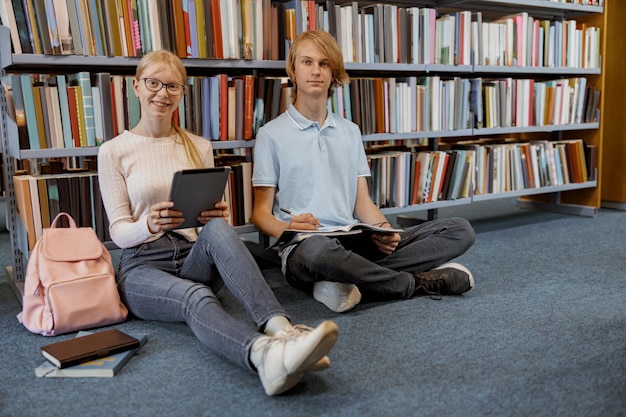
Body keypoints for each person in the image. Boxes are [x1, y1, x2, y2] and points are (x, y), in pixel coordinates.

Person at [97, 50, 339, 396]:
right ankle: (263, 357)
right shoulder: (113, 151)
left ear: (182, 92)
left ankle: (281, 329)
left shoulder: (198, 146)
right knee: (195, 296)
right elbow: (119, 232)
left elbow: (209, 224)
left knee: (219, 229)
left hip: (193, 253)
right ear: (136, 87)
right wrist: (149, 224)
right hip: (142, 265)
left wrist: (213, 216)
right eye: (153, 83)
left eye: (172, 86)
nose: (162, 93)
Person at [251, 30, 476, 313]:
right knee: (319, 251)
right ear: (293, 70)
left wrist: (384, 231)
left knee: (459, 230)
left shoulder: (350, 131)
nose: (316, 71)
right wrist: (288, 228)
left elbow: (362, 203)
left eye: (324, 64)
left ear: (333, 73)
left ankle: (348, 281)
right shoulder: (271, 134)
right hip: (304, 247)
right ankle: (413, 283)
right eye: (307, 62)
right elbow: (260, 213)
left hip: (353, 240)